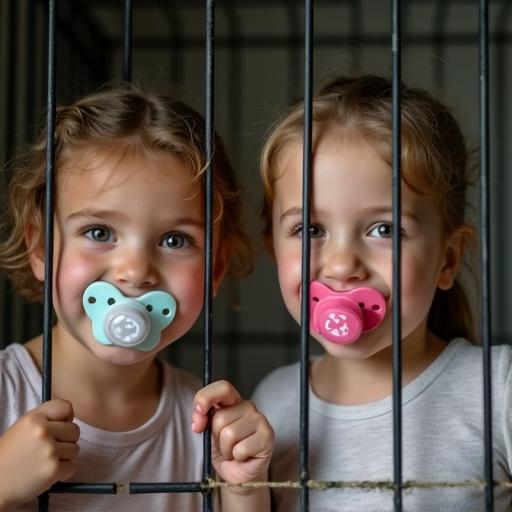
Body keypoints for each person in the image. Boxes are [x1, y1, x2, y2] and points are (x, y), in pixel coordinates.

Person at [0, 86, 273, 511]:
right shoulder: (5, 392)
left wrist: (242, 490)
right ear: (41, 249)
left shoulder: (206, 424)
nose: (135, 271)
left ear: (215, 269)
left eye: (174, 239)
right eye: (99, 233)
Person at [252, 74, 512, 511]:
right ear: (274, 250)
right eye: (309, 229)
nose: (341, 265)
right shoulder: (273, 401)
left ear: (447, 259)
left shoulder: (498, 390)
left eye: (384, 229)